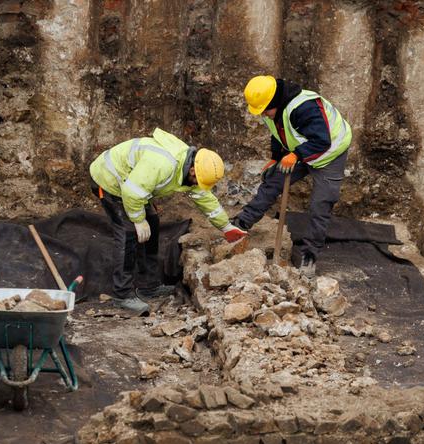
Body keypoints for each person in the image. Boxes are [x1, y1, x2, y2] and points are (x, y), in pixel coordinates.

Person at [90, 128, 245, 314]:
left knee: (152, 224)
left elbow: (205, 198)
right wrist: (138, 220)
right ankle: (122, 295)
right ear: (194, 170)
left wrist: (226, 226)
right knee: (128, 233)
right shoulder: (163, 164)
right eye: (197, 180)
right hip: (109, 180)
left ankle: (148, 286)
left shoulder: (190, 169)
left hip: (133, 184)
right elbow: (132, 193)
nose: (197, 185)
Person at [233, 75, 352, 275]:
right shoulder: (274, 111)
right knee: (272, 181)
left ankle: (309, 256)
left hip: (330, 153)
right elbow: (278, 132)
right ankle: (241, 223)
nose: (262, 114)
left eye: (264, 110)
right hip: (300, 150)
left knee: (319, 205)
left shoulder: (305, 108)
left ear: (275, 102)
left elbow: (322, 141)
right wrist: (276, 157)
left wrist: (296, 155)